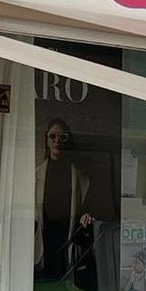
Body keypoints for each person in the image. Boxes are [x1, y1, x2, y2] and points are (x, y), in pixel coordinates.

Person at [34, 119, 91, 281]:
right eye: (53, 136)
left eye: (62, 137)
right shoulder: (35, 176)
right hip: (43, 244)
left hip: (68, 243)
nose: (57, 141)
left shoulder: (82, 180)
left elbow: (87, 211)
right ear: (47, 140)